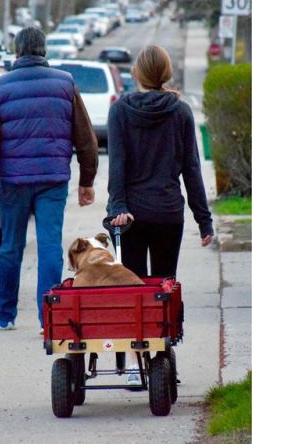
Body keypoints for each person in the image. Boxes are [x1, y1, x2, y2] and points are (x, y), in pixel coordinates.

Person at [0, 26, 98, 332]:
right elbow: (85, 137)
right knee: (49, 246)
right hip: (53, 179)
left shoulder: (0, 86)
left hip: (14, 181)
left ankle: (5, 312)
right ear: (44, 51)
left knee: (11, 246)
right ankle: (49, 318)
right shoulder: (65, 84)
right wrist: (87, 180)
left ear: (17, 52)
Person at [106, 45, 214, 384]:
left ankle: (139, 370)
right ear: (165, 74)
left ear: (136, 74)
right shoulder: (180, 112)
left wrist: (118, 208)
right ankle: (164, 363)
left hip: (132, 216)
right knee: (164, 289)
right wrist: (203, 220)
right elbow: (191, 170)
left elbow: (118, 166)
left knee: (136, 291)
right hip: (168, 213)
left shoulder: (120, 111)